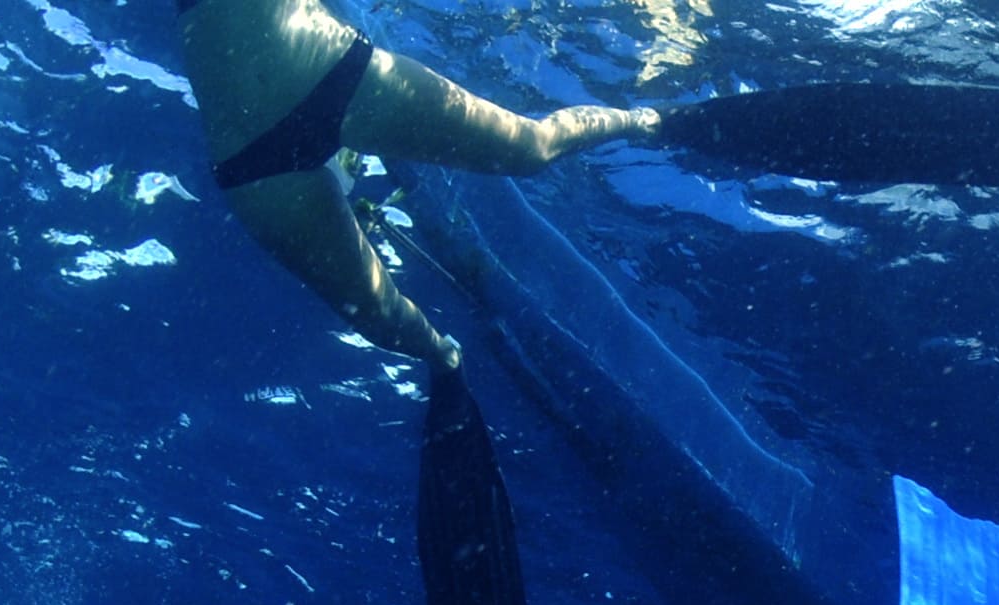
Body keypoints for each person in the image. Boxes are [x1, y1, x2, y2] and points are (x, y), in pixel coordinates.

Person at [176, 0, 653, 378]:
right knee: (379, 318)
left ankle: (640, 121)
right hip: (263, 146)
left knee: (530, 148)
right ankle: (446, 360)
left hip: (317, 86)